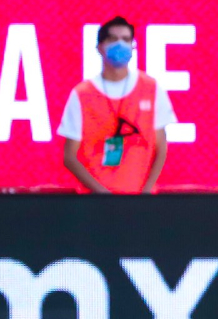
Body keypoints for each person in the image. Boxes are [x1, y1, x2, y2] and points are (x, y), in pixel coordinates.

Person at [57, 16, 175, 194]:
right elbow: (69, 157)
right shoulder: (81, 95)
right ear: (100, 47)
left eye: (126, 40)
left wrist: (146, 192)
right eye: (113, 39)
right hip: (94, 202)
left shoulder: (151, 89)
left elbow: (161, 147)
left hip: (140, 199)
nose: (120, 44)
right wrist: (103, 195)